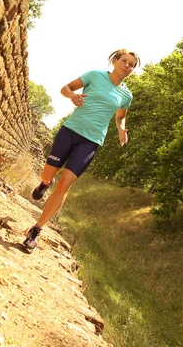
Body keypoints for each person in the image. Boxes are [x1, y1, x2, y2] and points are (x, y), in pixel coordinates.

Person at [23, 48, 141, 250]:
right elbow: (65, 88)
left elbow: (120, 116)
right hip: (70, 130)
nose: (127, 66)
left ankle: (36, 229)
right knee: (48, 173)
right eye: (124, 61)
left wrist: (121, 130)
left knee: (65, 184)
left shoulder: (126, 95)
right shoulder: (95, 75)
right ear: (114, 61)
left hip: (92, 140)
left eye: (131, 65)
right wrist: (72, 96)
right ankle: (45, 182)